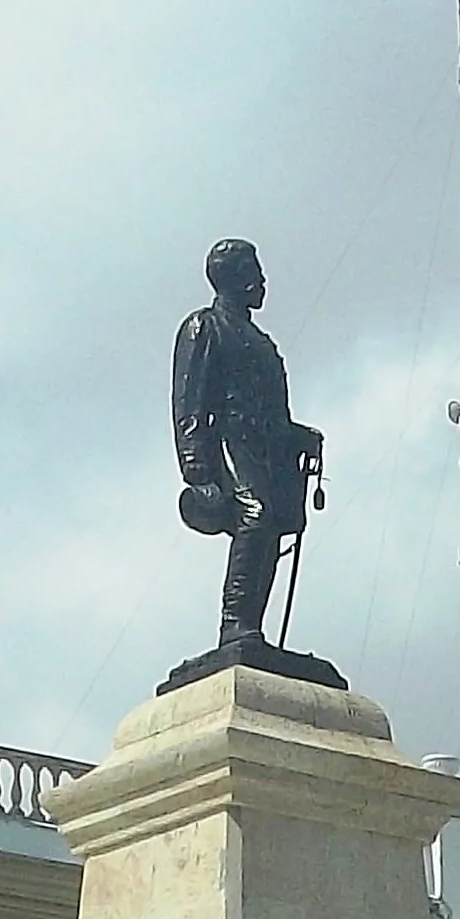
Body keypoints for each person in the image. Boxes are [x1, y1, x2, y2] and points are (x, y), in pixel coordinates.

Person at [169, 237, 323, 663]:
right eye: (251, 271)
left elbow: (276, 413)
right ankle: (234, 623)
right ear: (233, 278)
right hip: (230, 443)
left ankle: (252, 627)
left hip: (268, 451)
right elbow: (189, 404)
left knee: (271, 528)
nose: (261, 280)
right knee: (256, 517)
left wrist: (299, 437)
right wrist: (198, 472)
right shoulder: (205, 326)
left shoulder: (262, 343)